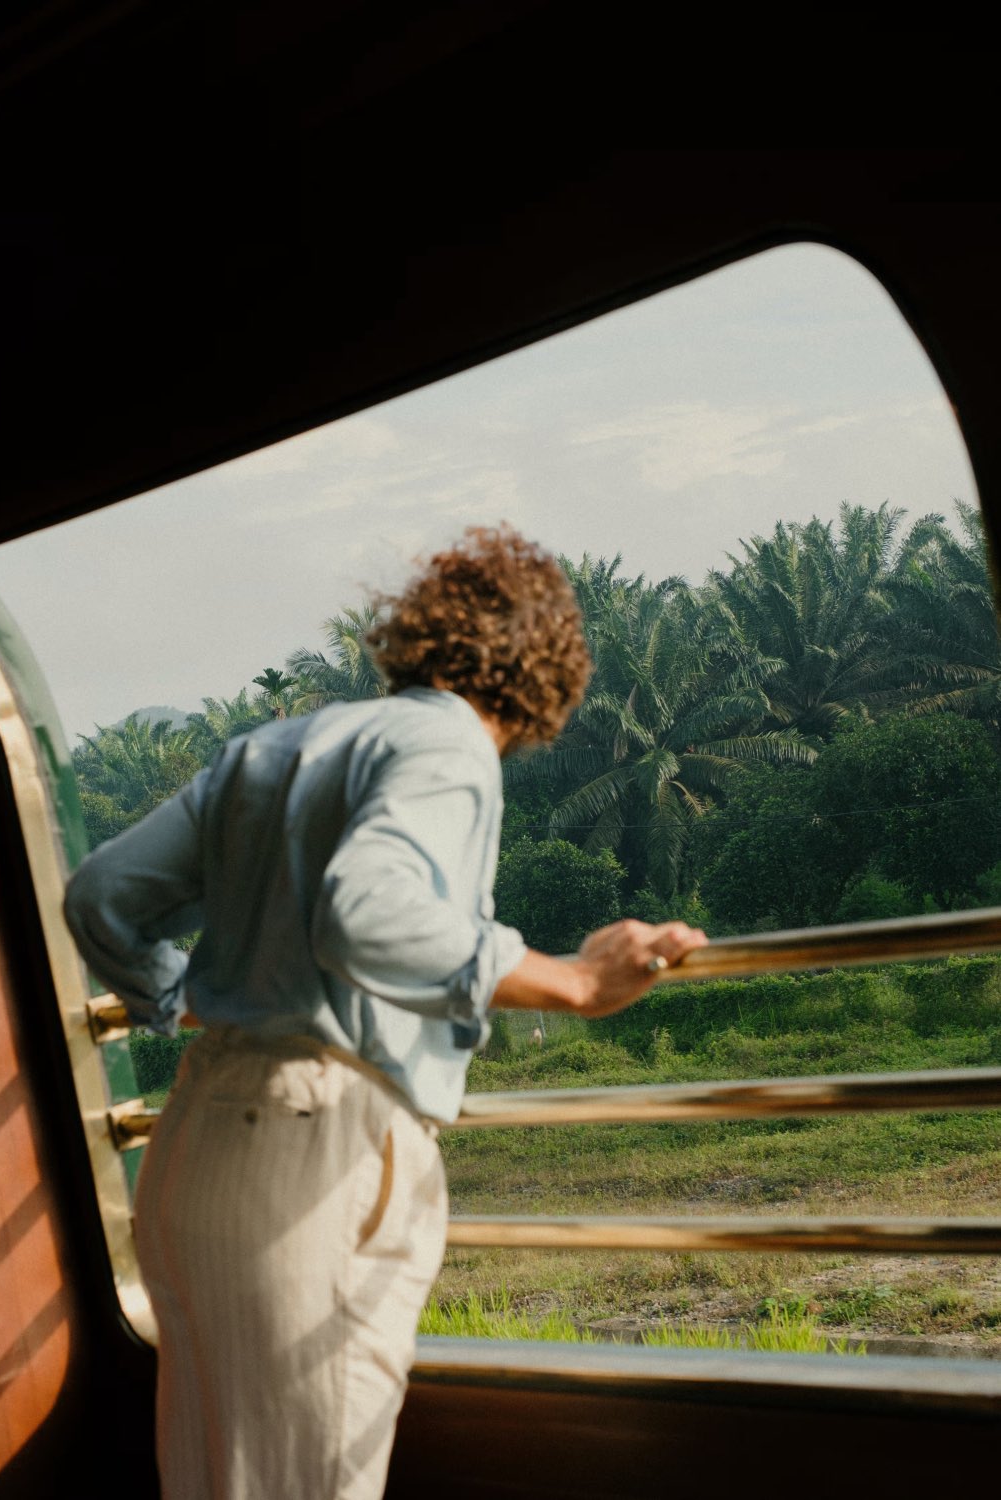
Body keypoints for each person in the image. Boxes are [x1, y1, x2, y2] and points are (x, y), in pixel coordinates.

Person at [63, 525, 706, 1500]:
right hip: (310, 1154)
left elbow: (101, 893)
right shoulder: (448, 742)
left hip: (196, 1148)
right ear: (544, 671)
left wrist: (187, 998)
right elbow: (366, 912)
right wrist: (570, 980)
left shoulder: (267, 750)